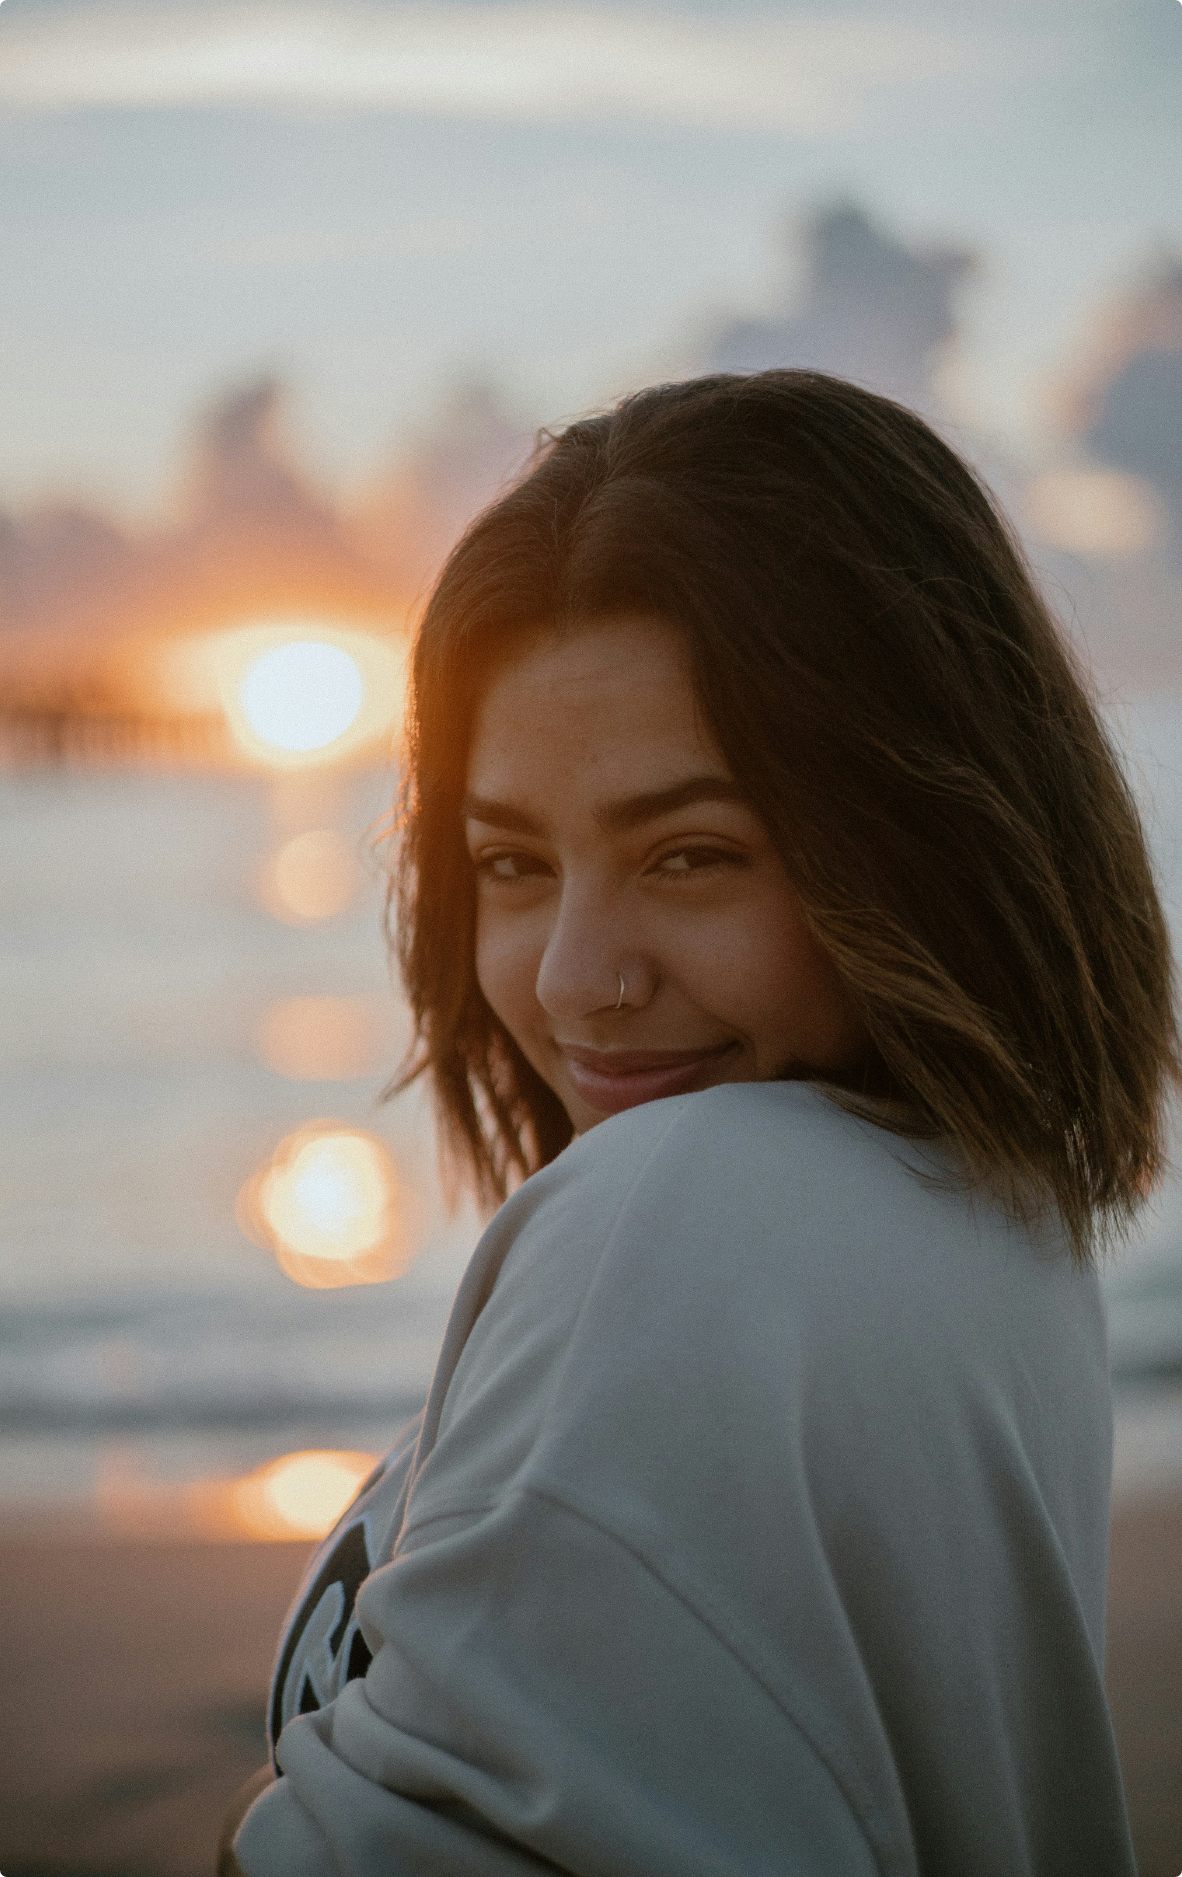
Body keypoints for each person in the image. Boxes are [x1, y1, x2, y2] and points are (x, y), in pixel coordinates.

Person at [227, 371, 1175, 1876]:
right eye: (513, 863)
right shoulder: (985, 1229)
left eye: (689, 855)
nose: (574, 981)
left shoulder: (694, 1206)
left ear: (924, 844)